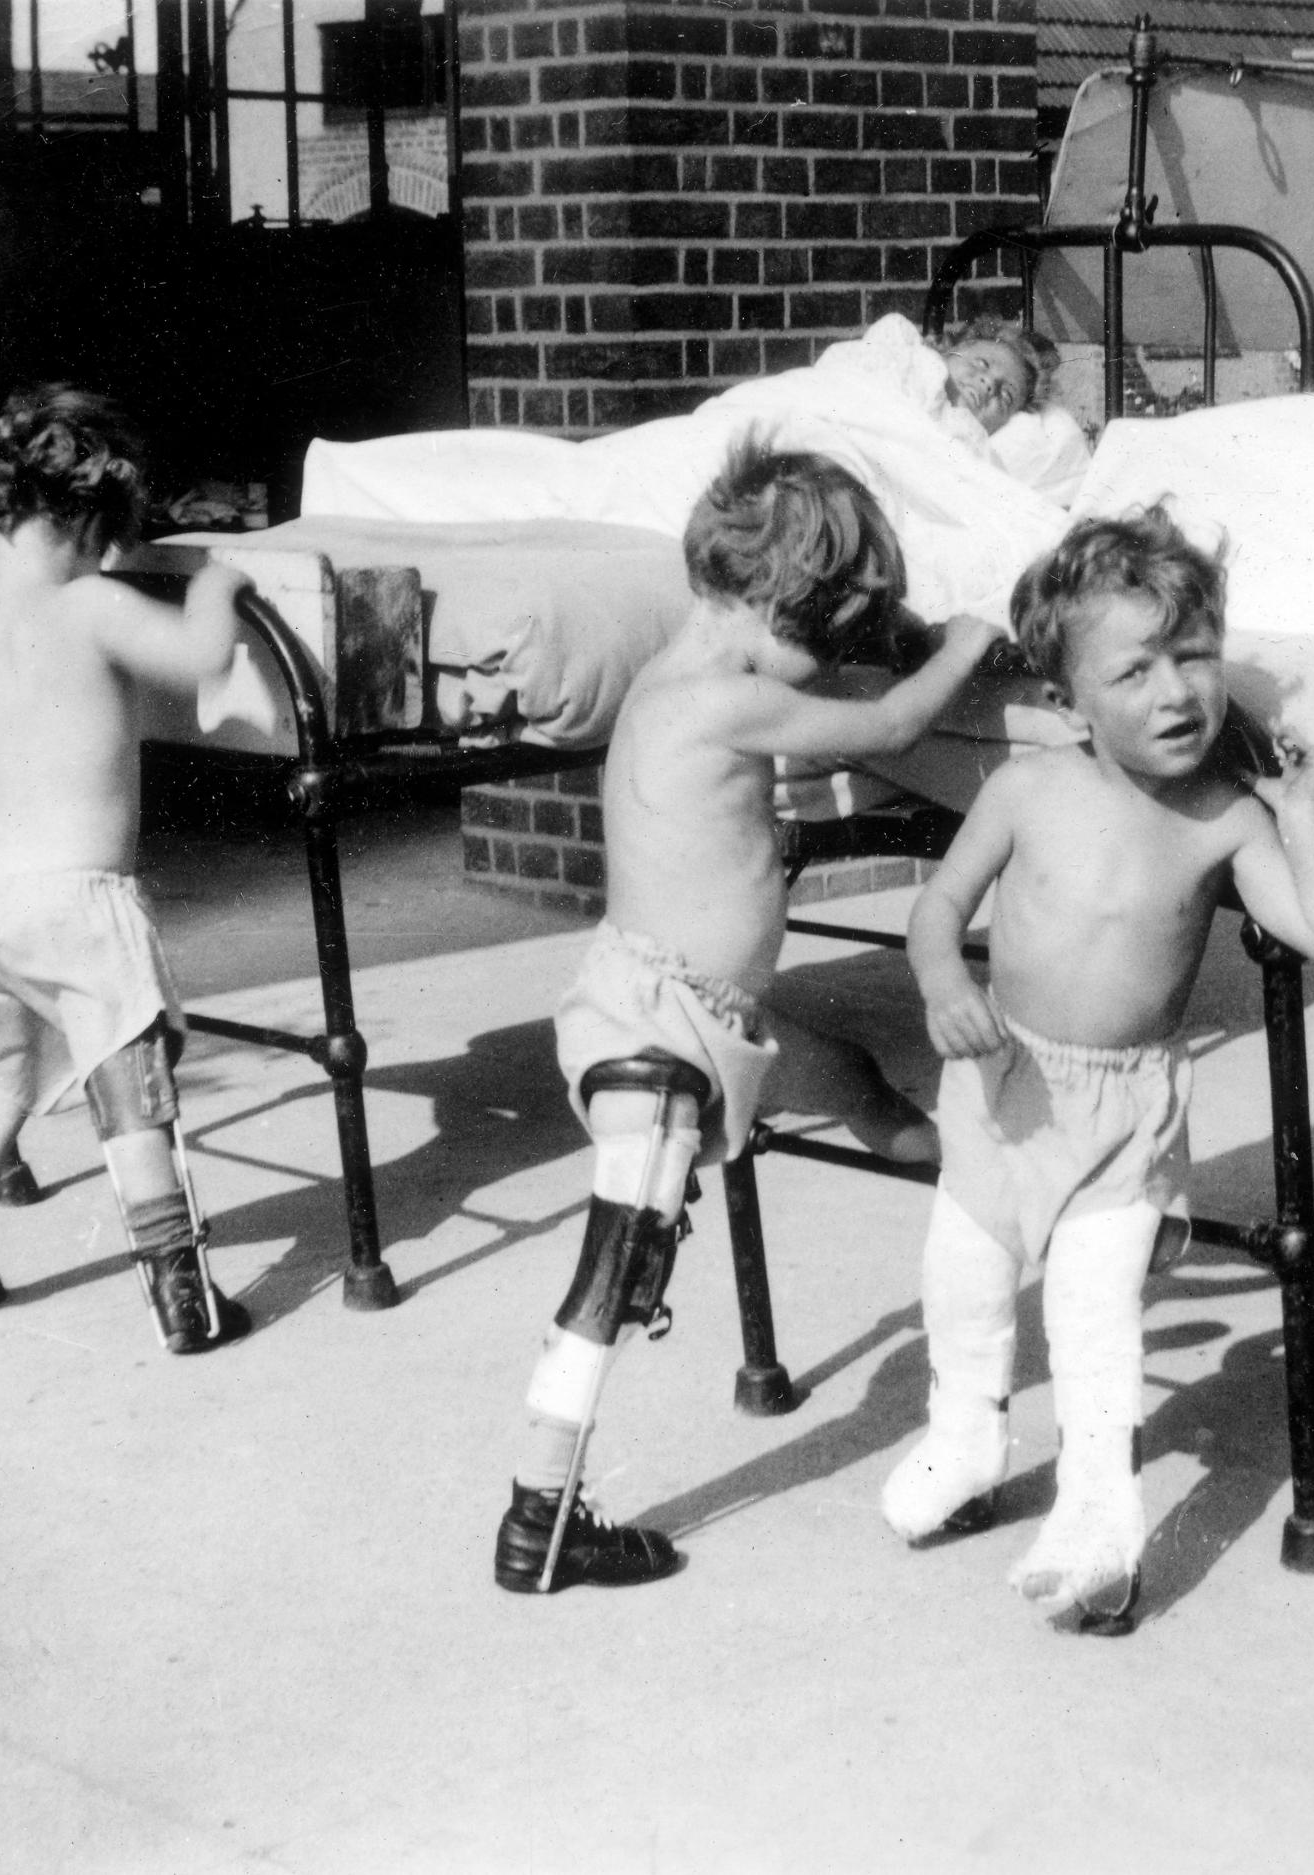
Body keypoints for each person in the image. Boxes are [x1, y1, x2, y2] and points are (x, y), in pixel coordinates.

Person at [496, 435, 1005, 1595]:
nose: (819, 673)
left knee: (858, 1082)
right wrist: (964, 644)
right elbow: (887, 728)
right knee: (617, 1273)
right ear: (782, 608)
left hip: (709, 1016)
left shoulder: (685, 681)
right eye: (822, 642)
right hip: (656, 1034)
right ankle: (539, 1516)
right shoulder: (723, 702)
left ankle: (981, 1193)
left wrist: (884, 636)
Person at [884, 503, 1314, 1632]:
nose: (1176, 692)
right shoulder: (1024, 791)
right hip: (1001, 1082)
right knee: (961, 1283)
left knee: (1092, 1318)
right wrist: (944, 983)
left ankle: (1100, 1531)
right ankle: (965, 1443)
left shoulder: (1225, 819)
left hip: (1122, 1110)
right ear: (1067, 700)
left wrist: (1301, 818)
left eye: (1194, 655)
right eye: (1135, 669)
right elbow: (937, 907)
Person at [0, 385, 252, 1356]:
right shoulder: (96, 605)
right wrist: (217, 585)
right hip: (80, 900)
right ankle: (182, 1296)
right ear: (93, 529)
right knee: (130, 1085)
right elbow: (195, 658)